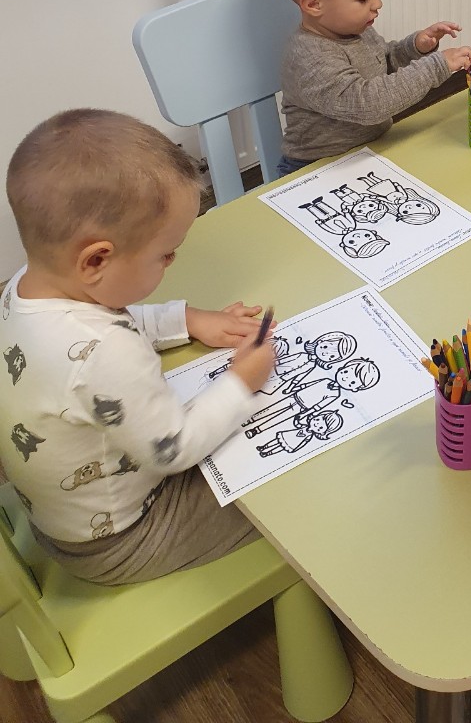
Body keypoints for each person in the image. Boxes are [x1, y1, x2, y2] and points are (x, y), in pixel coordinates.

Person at [0, 109, 276, 585]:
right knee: (283, 480)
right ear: (96, 260)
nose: (173, 261)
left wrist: (187, 319)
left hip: (65, 516)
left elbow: (105, 322)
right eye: (165, 254)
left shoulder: (26, 287)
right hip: (122, 541)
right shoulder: (105, 352)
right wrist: (241, 383)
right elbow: (174, 448)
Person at [276, 0, 471, 177]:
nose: (377, 3)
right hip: (315, 170)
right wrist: (435, 67)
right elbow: (368, 104)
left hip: (368, 154)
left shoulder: (357, 29)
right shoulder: (309, 56)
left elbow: (384, 63)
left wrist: (415, 47)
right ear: (314, 4)